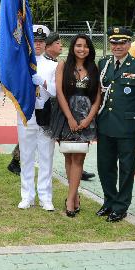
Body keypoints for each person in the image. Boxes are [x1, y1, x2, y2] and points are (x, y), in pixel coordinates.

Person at [95, 27, 135, 223]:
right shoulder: (103, 64)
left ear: (129, 44)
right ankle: (109, 200)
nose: (117, 46)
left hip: (128, 126)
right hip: (105, 124)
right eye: (114, 43)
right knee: (105, 166)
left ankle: (121, 205)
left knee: (127, 168)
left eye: (122, 42)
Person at [47, 34, 100, 217]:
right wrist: (69, 117)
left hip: (86, 117)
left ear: (89, 49)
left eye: (85, 46)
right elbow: (60, 92)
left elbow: (97, 97)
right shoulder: (63, 65)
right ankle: (74, 194)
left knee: (78, 158)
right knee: (69, 157)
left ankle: (70, 200)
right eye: (78, 45)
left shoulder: (94, 67)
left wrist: (88, 119)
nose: (82, 49)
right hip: (65, 116)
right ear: (73, 47)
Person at [17, 25, 57, 211]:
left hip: (46, 113)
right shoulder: (22, 64)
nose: (38, 44)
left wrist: (45, 83)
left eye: (41, 41)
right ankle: (27, 195)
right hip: (26, 113)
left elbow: (57, 92)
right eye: (34, 41)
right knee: (26, 156)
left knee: (46, 156)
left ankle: (45, 196)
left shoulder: (53, 65)